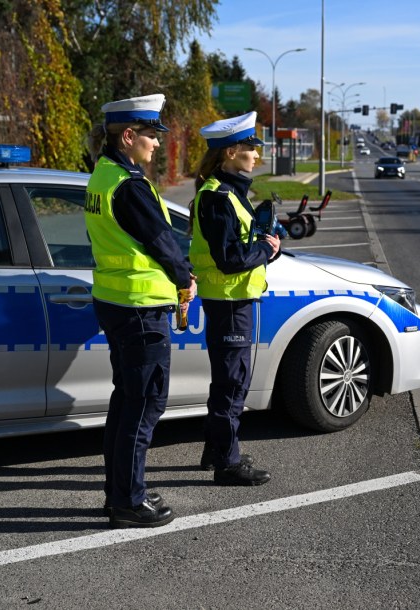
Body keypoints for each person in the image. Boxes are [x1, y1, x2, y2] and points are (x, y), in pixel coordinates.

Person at [85, 93, 196, 528]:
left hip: (117, 304)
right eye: (150, 135)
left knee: (126, 402)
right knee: (144, 405)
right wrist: (185, 278)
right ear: (128, 136)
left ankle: (120, 493)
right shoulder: (129, 184)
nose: (156, 143)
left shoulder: (104, 175)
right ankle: (128, 502)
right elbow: (162, 243)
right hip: (140, 311)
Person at [190, 111, 280, 486]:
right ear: (229, 153)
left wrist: (265, 241)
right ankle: (228, 464)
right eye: (249, 148)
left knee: (227, 381)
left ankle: (215, 451)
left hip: (233, 300)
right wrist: (266, 250)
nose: (256, 155)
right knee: (232, 384)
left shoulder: (227, 193)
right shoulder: (217, 198)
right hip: (229, 301)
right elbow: (230, 260)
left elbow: (238, 244)